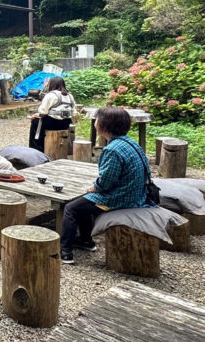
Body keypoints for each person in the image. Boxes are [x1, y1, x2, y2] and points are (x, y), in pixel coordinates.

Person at [60, 106, 155, 264]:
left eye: (97, 120)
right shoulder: (131, 143)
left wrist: (94, 187)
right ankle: (86, 241)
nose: (95, 123)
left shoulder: (112, 150)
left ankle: (65, 252)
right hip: (138, 193)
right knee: (84, 202)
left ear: (104, 125)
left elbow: (105, 182)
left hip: (122, 198)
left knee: (71, 208)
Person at [28, 76, 76, 152]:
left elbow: (42, 111)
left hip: (52, 123)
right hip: (65, 123)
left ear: (52, 85)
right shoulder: (70, 96)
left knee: (35, 122)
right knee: (39, 121)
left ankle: (36, 148)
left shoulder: (51, 95)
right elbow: (74, 111)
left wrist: (35, 116)